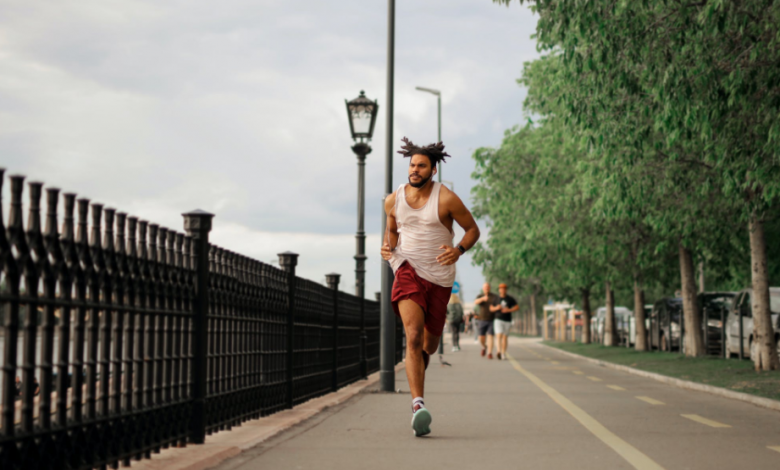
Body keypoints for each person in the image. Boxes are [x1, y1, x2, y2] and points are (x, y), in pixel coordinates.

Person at [380, 137, 480, 437]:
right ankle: (418, 405)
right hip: (407, 269)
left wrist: (458, 250)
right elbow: (392, 231)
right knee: (412, 336)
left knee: (429, 345)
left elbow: (472, 229)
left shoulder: (446, 198)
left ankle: (417, 383)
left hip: (439, 277)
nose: (415, 170)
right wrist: (388, 248)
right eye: (412, 165)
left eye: (421, 165)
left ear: (432, 170)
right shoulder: (393, 199)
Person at [493, 283, 519, 360]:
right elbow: (491, 308)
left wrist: (509, 310)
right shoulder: (496, 299)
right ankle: (498, 351)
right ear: (499, 290)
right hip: (498, 319)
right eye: (501, 288)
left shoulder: (510, 299)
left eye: (504, 288)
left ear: (506, 290)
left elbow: (517, 307)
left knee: (504, 337)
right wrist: (496, 308)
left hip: (507, 320)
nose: (502, 290)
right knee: (498, 335)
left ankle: (503, 353)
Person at [474, 282, 499, 359]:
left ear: (490, 288)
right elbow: (476, 302)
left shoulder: (494, 296)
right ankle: (484, 347)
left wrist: (495, 308)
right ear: (483, 288)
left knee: (490, 336)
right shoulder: (480, 296)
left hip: (492, 319)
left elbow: (498, 305)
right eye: (485, 287)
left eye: (488, 287)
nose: (486, 288)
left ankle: (490, 353)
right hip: (481, 319)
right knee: (481, 337)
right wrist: (482, 299)